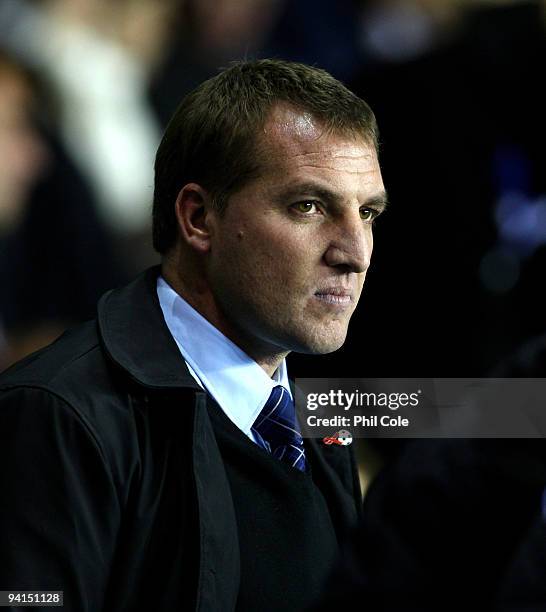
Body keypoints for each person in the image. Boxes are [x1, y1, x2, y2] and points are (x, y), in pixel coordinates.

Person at [0, 59, 387, 611]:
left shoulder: (317, 417)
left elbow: (490, 412)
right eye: (308, 206)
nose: (354, 254)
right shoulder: (60, 416)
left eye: (368, 213)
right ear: (199, 218)